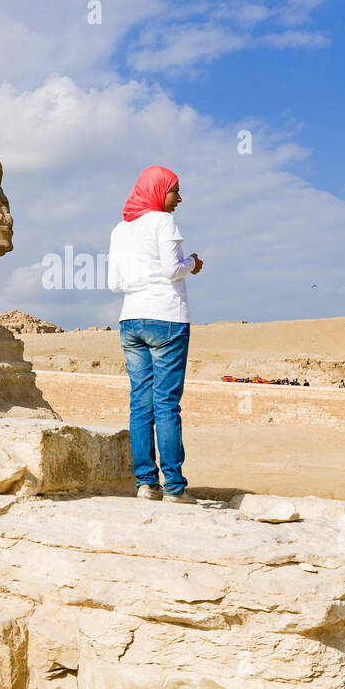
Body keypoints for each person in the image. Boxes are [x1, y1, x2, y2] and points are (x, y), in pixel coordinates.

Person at [107, 165, 203, 505]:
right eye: (174, 190)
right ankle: (175, 487)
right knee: (166, 404)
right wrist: (192, 262)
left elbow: (115, 283)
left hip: (131, 320)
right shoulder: (163, 221)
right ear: (158, 191)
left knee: (140, 403)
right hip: (166, 318)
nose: (179, 198)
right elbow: (172, 268)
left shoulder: (120, 229)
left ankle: (146, 484)